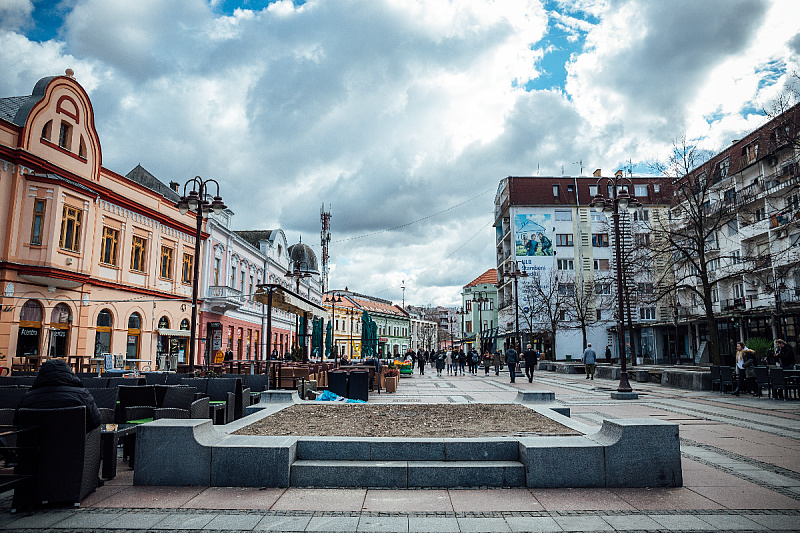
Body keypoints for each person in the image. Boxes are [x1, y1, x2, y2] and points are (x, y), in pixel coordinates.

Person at [16, 359, 102, 432]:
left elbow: (17, 423)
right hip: (72, 449)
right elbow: (96, 421)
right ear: (69, 373)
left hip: (34, 450)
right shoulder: (82, 395)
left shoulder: (27, 398)